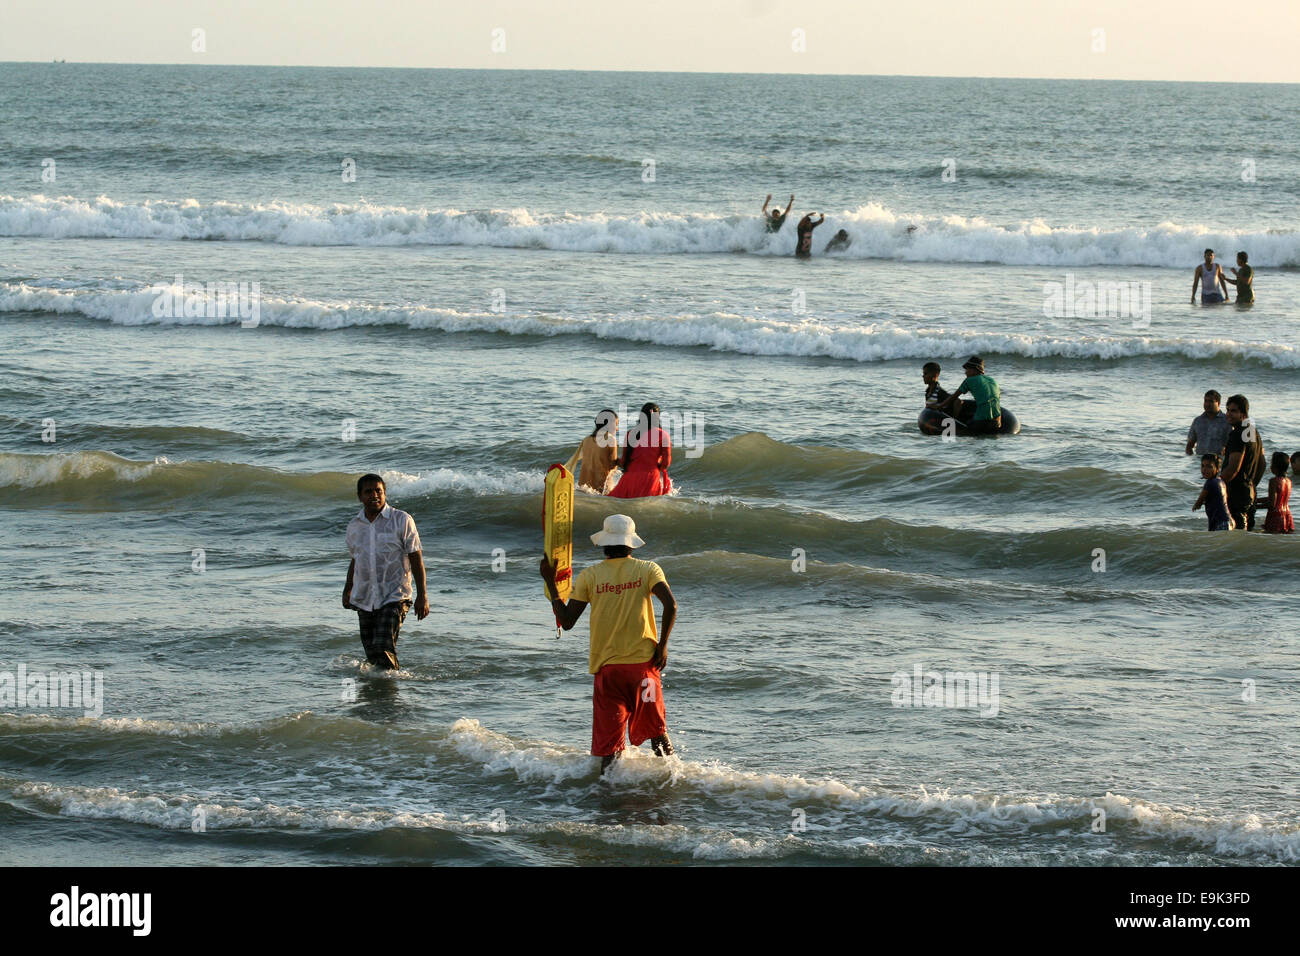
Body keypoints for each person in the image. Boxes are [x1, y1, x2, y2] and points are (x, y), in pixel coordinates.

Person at [539, 514, 677, 773]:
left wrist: (550, 582)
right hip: (644, 671)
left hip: (609, 674)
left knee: (610, 749)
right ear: (631, 543)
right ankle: (673, 781)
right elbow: (671, 604)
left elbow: (567, 621)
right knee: (658, 733)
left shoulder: (590, 576)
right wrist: (663, 645)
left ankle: (608, 801)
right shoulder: (648, 569)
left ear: (604, 543)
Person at [342, 473, 429, 670]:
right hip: (365, 596)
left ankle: (392, 689)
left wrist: (422, 596)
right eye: (368, 492)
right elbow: (355, 559)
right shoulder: (355, 526)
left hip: (395, 595)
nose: (374, 495)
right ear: (360, 496)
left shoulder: (402, 520)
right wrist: (348, 589)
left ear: (385, 493)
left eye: (378, 491)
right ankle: (379, 696)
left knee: (383, 646)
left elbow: (416, 559)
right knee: (372, 654)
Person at [608, 402, 672, 498]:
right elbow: (666, 464)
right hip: (650, 479)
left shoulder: (630, 433)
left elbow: (624, 461)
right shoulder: (663, 435)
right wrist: (658, 466)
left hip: (629, 479)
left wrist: (614, 461)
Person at [1219, 394, 1263, 531]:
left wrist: (1215, 486)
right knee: (1247, 537)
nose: (1228, 414)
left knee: (1236, 536)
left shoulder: (1238, 434)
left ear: (1243, 414)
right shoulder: (1252, 431)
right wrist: (1252, 483)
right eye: (1227, 410)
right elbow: (1262, 463)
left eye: (1233, 411)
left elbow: (1233, 468)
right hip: (1250, 492)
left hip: (1237, 494)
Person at [939, 356, 1001, 435]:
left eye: (967, 369)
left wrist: (938, 407)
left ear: (974, 369)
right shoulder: (993, 381)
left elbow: (953, 397)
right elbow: (996, 401)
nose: (965, 372)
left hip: (980, 423)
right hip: (997, 423)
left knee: (965, 425)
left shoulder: (969, 380)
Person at [565, 409, 619, 494]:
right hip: (600, 490)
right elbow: (613, 466)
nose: (617, 428)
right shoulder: (611, 439)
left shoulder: (586, 440)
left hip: (582, 489)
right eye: (616, 424)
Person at [1193, 454, 1234, 531]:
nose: (1204, 469)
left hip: (1221, 522)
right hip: (1228, 520)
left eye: (1209, 467)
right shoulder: (1220, 481)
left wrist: (1196, 505)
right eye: (1203, 466)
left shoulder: (1210, 483)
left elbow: (1201, 498)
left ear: (1218, 469)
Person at [1184, 390, 1230, 459]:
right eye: (1206, 401)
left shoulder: (1227, 421)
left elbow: (1232, 446)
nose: (1207, 404)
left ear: (1218, 403)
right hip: (1199, 462)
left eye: (1211, 401)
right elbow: (1189, 446)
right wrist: (1192, 461)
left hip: (1218, 462)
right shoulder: (1198, 421)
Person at [1262, 452, 1293, 534]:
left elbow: (1272, 504)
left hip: (1276, 517)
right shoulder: (1289, 481)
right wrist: (1256, 500)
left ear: (1274, 468)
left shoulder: (1273, 481)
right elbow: (1279, 498)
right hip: (1287, 515)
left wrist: (1254, 506)